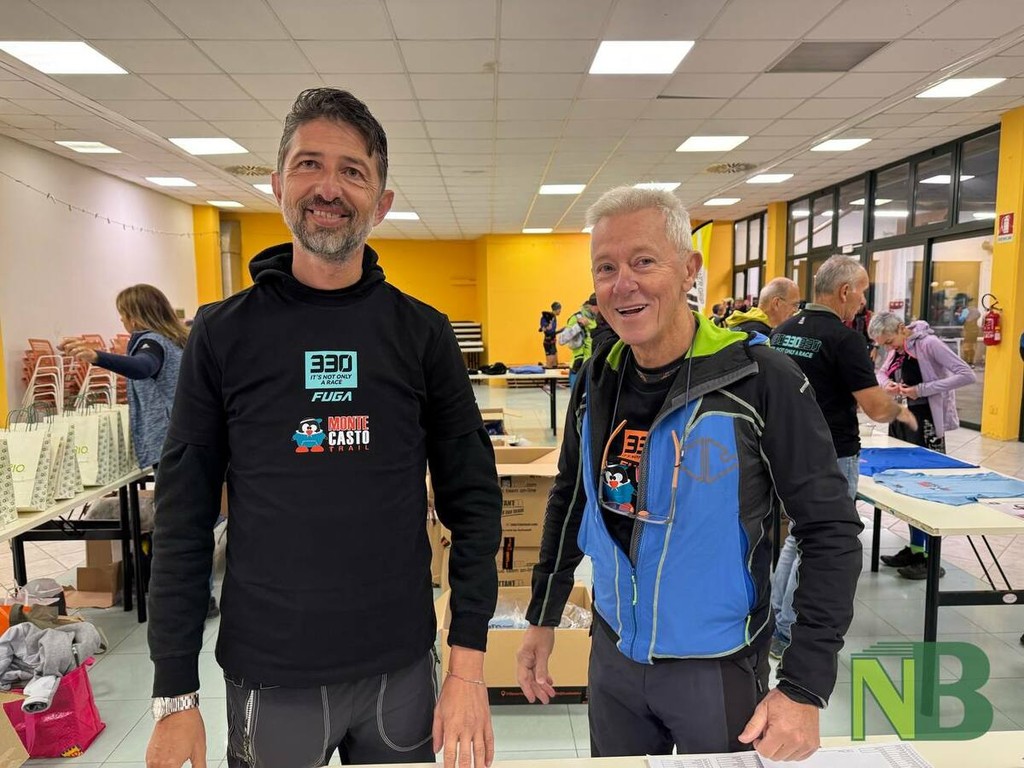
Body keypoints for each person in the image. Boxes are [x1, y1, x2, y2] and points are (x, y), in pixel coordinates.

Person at [145, 88, 502, 768]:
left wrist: (467, 667)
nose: (329, 188)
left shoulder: (422, 334)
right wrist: (174, 693)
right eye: (309, 164)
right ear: (278, 184)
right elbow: (184, 516)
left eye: (352, 171)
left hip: (400, 671)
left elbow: (475, 504)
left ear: (381, 202)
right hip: (270, 672)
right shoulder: (222, 334)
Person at [515, 187, 862, 762]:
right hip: (614, 659)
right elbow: (570, 498)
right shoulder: (596, 380)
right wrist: (543, 616)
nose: (623, 283)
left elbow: (830, 530)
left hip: (717, 667)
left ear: (688, 269)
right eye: (606, 267)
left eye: (644, 261)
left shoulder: (760, 381)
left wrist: (804, 684)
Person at [769, 256, 918, 659]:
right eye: (863, 291)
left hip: (786, 451)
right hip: (831, 454)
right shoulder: (844, 339)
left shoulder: (783, 331)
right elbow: (874, 407)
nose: (864, 300)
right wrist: (899, 411)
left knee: (798, 536)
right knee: (821, 544)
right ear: (845, 291)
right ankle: (787, 633)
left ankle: (776, 622)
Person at [870, 312, 976, 579]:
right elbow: (880, 373)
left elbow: (966, 374)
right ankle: (916, 549)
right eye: (883, 345)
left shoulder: (929, 344)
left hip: (926, 421)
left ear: (901, 329)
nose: (888, 348)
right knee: (903, 486)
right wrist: (888, 385)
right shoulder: (899, 349)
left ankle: (930, 558)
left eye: (889, 342)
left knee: (924, 487)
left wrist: (923, 389)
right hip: (902, 419)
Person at [726, 277, 800, 336]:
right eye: (794, 305)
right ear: (777, 303)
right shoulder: (762, 337)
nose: (796, 310)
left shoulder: (739, 324)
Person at [565, 294, 599, 389]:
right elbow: (563, 339)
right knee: (578, 397)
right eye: (599, 306)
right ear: (592, 306)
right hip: (579, 366)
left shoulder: (601, 319)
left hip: (595, 365)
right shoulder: (577, 318)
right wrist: (578, 326)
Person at [539, 301, 562, 367]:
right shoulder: (546, 317)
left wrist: (561, 330)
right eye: (560, 310)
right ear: (557, 309)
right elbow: (543, 329)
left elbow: (552, 332)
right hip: (548, 343)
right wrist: (545, 328)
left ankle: (547, 366)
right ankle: (545, 368)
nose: (560, 311)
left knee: (555, 364)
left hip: (553, 342)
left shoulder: (554, 317)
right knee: (550, 366)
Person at [960, 302, 981, 366]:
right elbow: (979, 315)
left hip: (968, 330)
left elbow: (961, 320)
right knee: (972, 346)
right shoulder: (976, 310)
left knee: (966, 346)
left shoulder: (966, 310)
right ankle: (971, 361)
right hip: (975, 329)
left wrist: (958, 315)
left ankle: (966, 361)